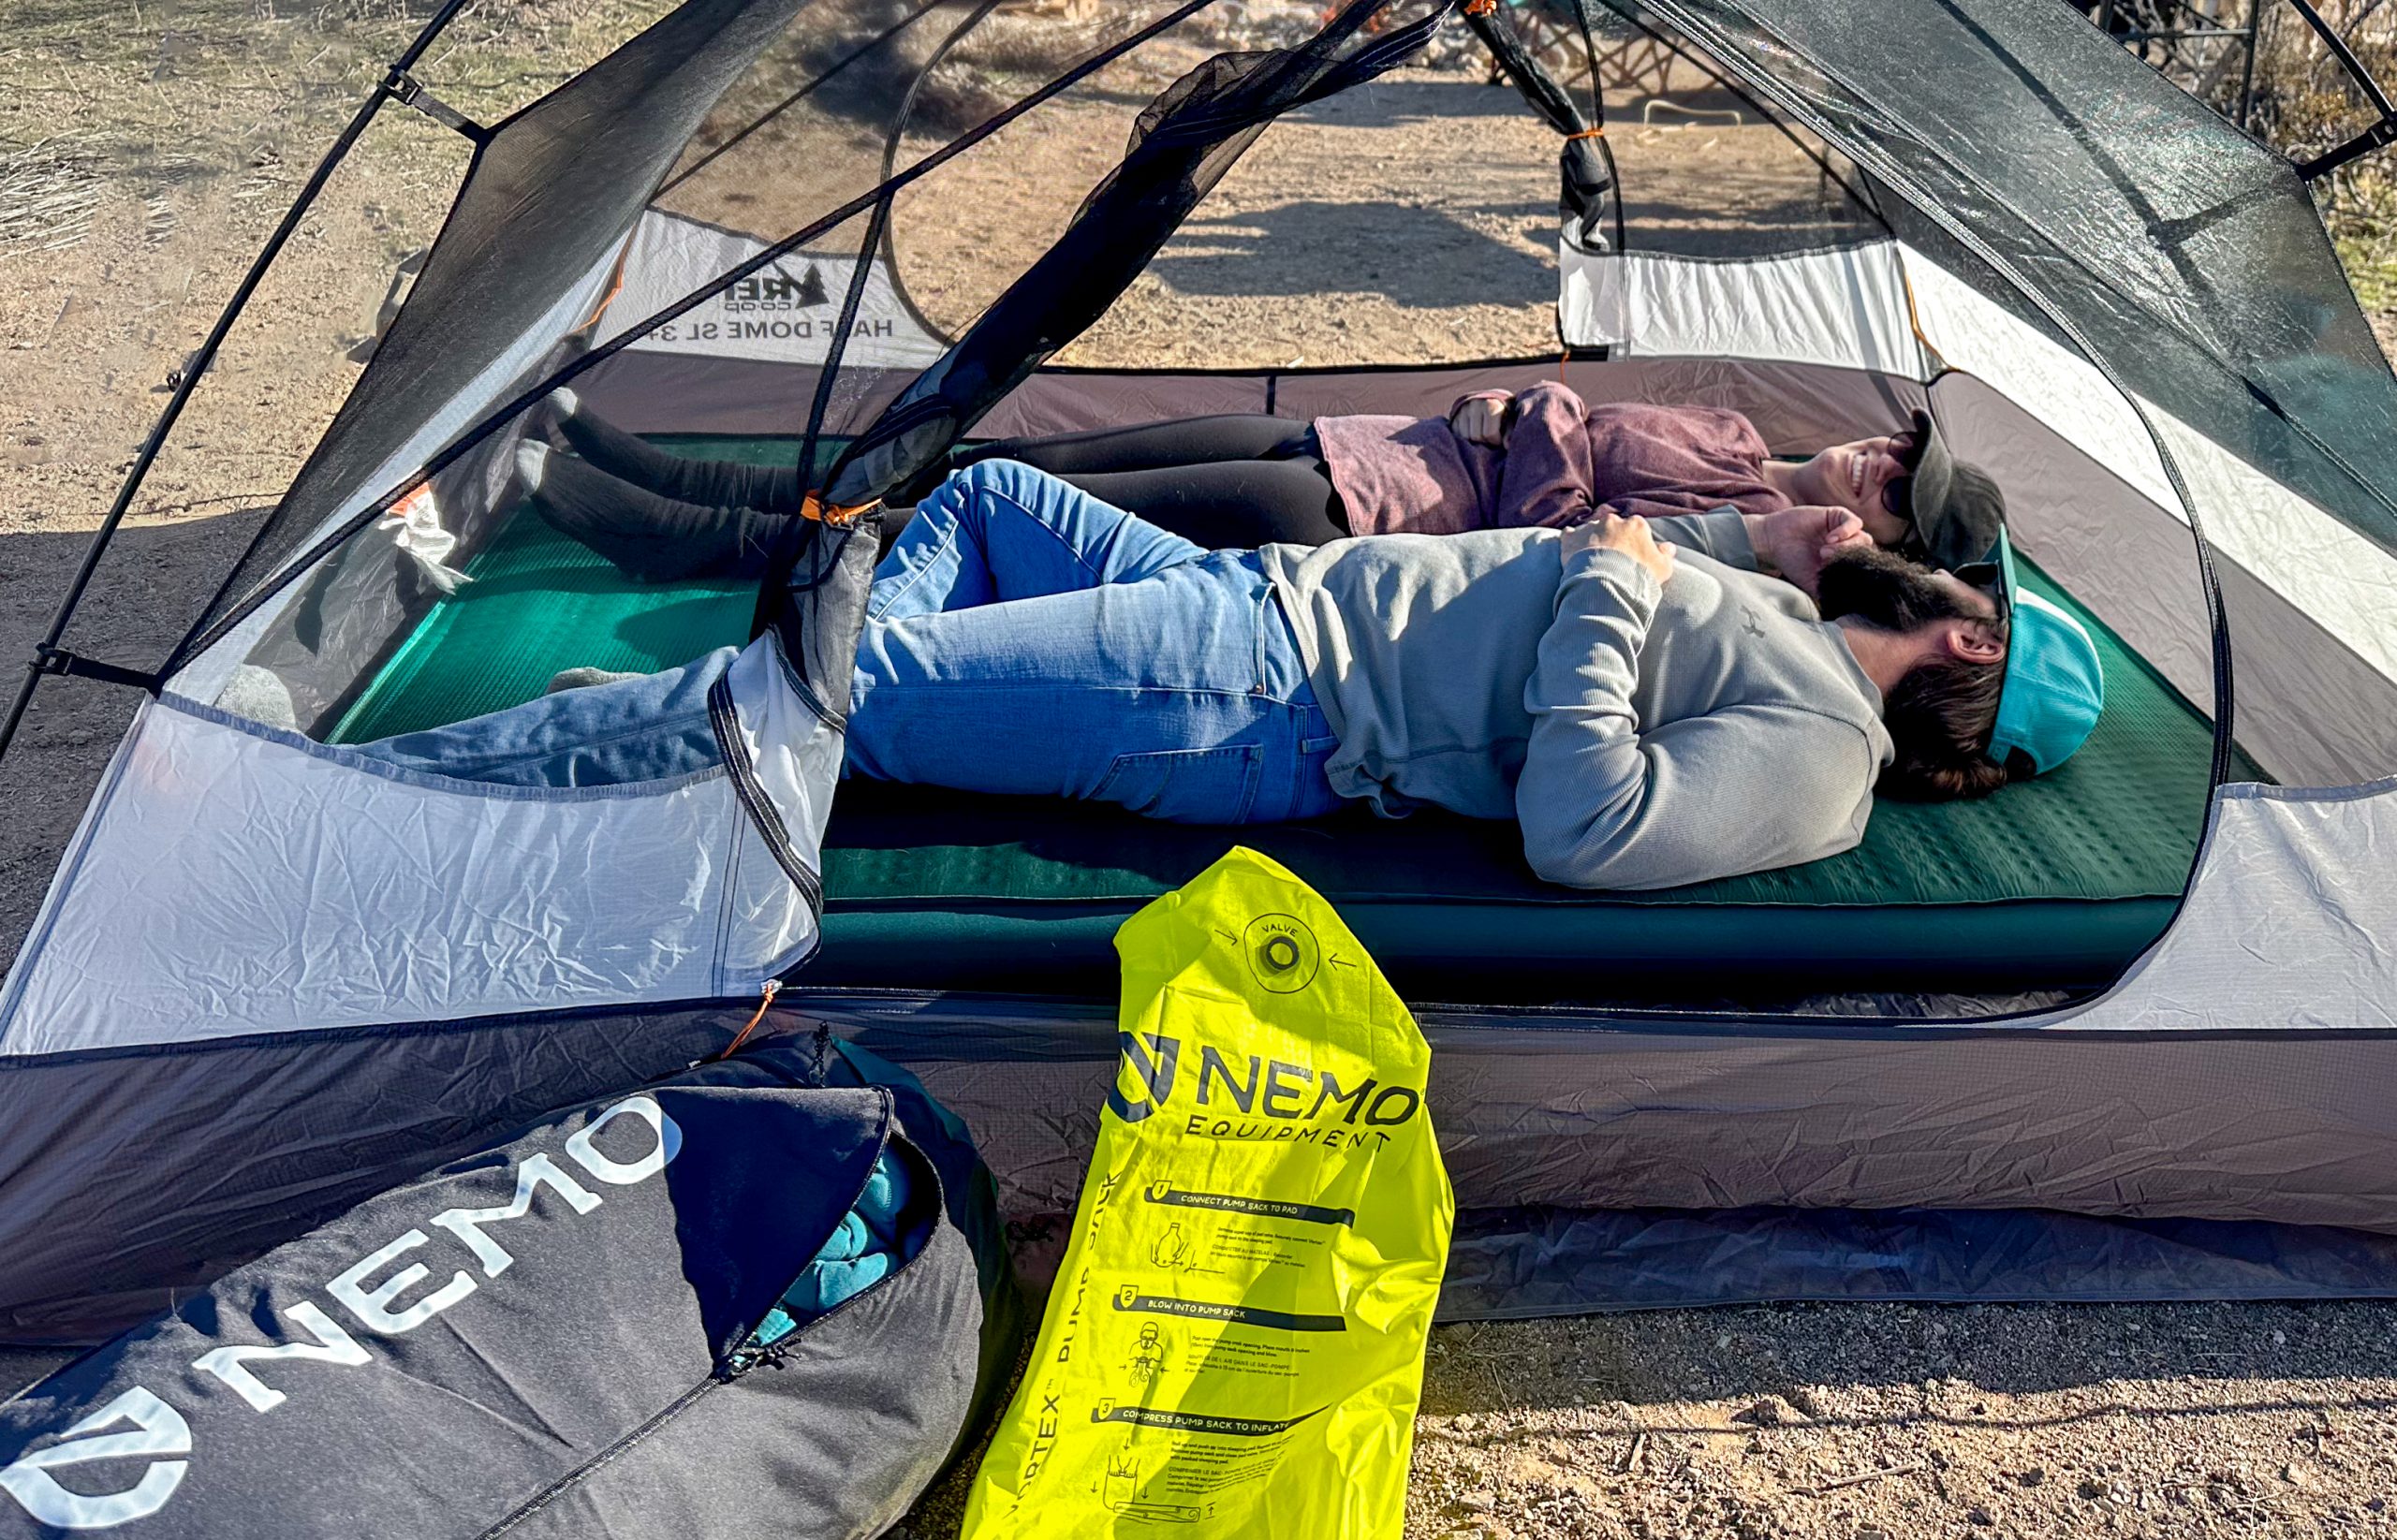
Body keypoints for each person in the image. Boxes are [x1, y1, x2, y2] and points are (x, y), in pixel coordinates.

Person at [842, 459, 2103, 890]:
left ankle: (694, 730)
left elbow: (1586, 825)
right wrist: (1748, 543)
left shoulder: (1829, 763)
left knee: (843, 697)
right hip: (1271, 590)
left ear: (1972, 638)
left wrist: (1614, 588)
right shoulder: (1801, 617)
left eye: (1961, 582)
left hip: (1271, 694)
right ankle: (872, 678)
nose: (1921, 560)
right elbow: (1639, 568)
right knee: (990, 497)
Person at [515, 384, 2004, 573]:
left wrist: (1534, 411)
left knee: (947, 532)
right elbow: (1546, 431)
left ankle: (630, 527)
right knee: (993, 455)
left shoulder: (1750, 524)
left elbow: (1564, 535)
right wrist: (1526, 413)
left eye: (1897, 486)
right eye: (1902, 447)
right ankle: (649, 459)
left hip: (1344, 518)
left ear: (1877, 529)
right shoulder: (1740, 433)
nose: (1881, 456)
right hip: (1352, 446)